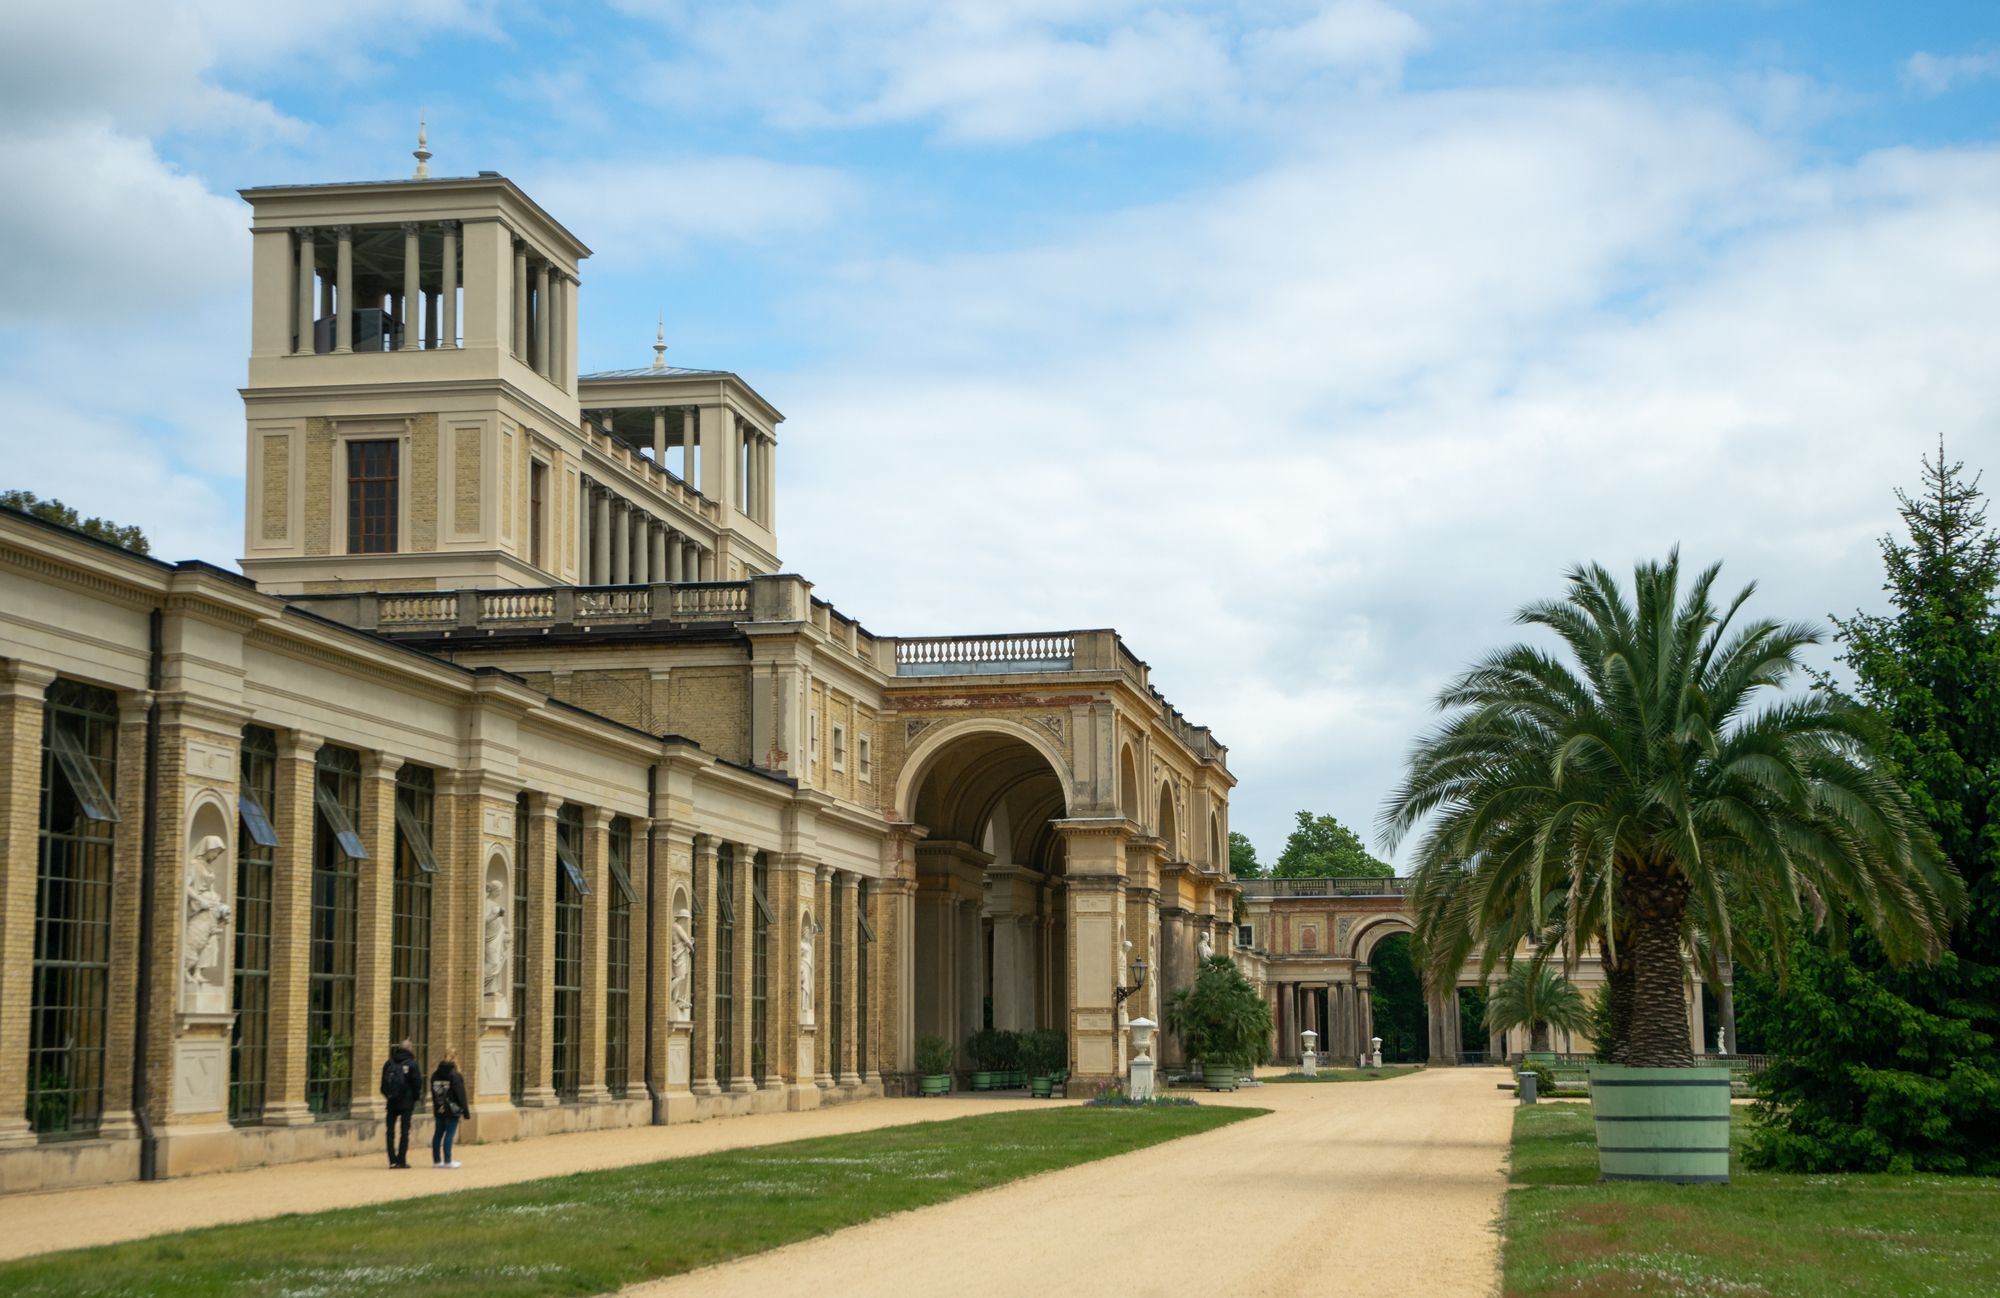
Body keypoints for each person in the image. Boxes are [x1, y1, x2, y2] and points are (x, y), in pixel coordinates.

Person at [380, 1038, 422, 1169]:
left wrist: (389, 1096)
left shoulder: (389, 1063)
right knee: (404, 1132)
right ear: (410, 1048)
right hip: (406, 1102)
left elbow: (383, 1085)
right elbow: (417, 1083)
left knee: (390, 1131)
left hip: (392, 1102)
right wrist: (414, 1098)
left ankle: (392, 1160)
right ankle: (401, 1160)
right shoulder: (412, 1064)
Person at [429, 1048, 470, 1169]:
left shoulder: (435, 1074)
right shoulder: (455, 1075)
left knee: (438, 1134)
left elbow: (434, 1091)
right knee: (449, 1134)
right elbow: (460, 1095)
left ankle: (437, 1160)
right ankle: (448, 1160)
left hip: (439, 1107)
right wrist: (465, 1111)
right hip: (452, 1109)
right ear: (455, 1058)